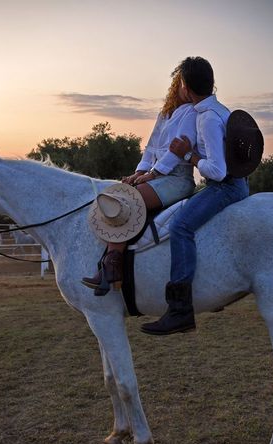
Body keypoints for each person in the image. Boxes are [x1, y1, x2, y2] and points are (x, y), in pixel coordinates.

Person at [140, 56, 250, 335]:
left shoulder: (207, 119)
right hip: (232, 183)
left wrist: (186, 154)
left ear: (186, 87)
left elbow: (216, 170)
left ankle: (179, 310)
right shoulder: (219, 110)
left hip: (224, 186)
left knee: (181, 226)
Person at [82, 65, 197, 294]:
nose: (187, 89)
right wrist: (138, 172)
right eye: (185, 83)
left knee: (128, 201)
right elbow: (151, 148)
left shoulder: (193, 113)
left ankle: (112, 266)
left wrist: (152, 174)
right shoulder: (165, 113)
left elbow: (175, 152)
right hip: (157, 174)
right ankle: (113, 262)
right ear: (178, 84)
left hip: (177, 178)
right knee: (117, 194)